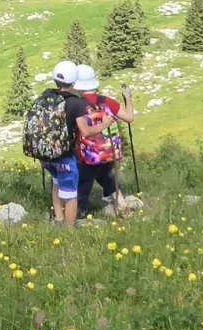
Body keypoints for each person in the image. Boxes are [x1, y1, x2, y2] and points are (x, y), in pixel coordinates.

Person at [73, 64, 135, 218]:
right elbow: (129, 117)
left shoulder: (78, 105)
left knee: (83, 182)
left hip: (88, 155)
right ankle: (121, 204)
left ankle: (81, 214)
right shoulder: (107, 101)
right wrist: (128, 98)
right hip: (109, 151)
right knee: (105, 177)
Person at [41, 60, 87, 228]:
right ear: (74, 82)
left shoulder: (46, 96)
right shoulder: (76, 103)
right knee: (70, 194)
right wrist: (105, 123)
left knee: (56, 182)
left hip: (46, 155)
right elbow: (86, 131)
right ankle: (68, 231)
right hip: (65, 155)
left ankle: (58, 218)